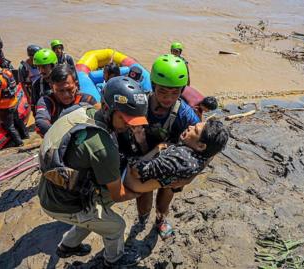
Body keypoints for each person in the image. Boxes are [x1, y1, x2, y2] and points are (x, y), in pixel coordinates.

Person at [38, 77, 148, 267]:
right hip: (63, 203)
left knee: (94, 219)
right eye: (125, 119)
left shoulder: (83, 110)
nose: (130, 125)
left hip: (49, 189)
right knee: (115, 226)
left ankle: (67, 247)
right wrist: (141, 191)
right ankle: (113, 261)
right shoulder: (102, 148)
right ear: (107, 108)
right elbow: (118, 194)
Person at [118, 54, 200, 239]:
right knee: (143, 195)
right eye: (163, 92)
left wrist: (187, 179)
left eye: (175, 93)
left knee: (167, 193)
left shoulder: (185, 115)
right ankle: (142, 218)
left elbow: (204, 149)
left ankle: (161, 219)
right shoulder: (140, 105)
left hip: (169, 164)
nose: (168, 98)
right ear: (153, 86)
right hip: (143, 159)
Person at [124, 120, 229, 193]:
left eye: (195, 130)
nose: (190, 127)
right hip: (145, 180)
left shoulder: (179, 159)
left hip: (129, 179)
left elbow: (136, 171)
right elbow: (211, 156)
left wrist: (157, 148)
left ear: (201, 146)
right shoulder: (204, 155)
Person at [35, 64, 98, 136]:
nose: (66, 95)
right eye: (60, 91)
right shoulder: (46, 101)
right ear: (52, 88)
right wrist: (64, 137)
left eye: (69, 89)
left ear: (76, 85)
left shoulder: (87, 100)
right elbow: (41, 121)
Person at [0, 51, 29, 147]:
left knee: (9, 126)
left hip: (5, 108)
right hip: (14, 103)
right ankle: (26, 135)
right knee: (17, 120)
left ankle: (19, 143)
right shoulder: (6, 72)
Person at [31, 48, 58, 115]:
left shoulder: (63, 80)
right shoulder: (36, 85)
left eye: (44, 67)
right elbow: (35, 105)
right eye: (38, 67)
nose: (41, 71)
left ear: (53, 66)